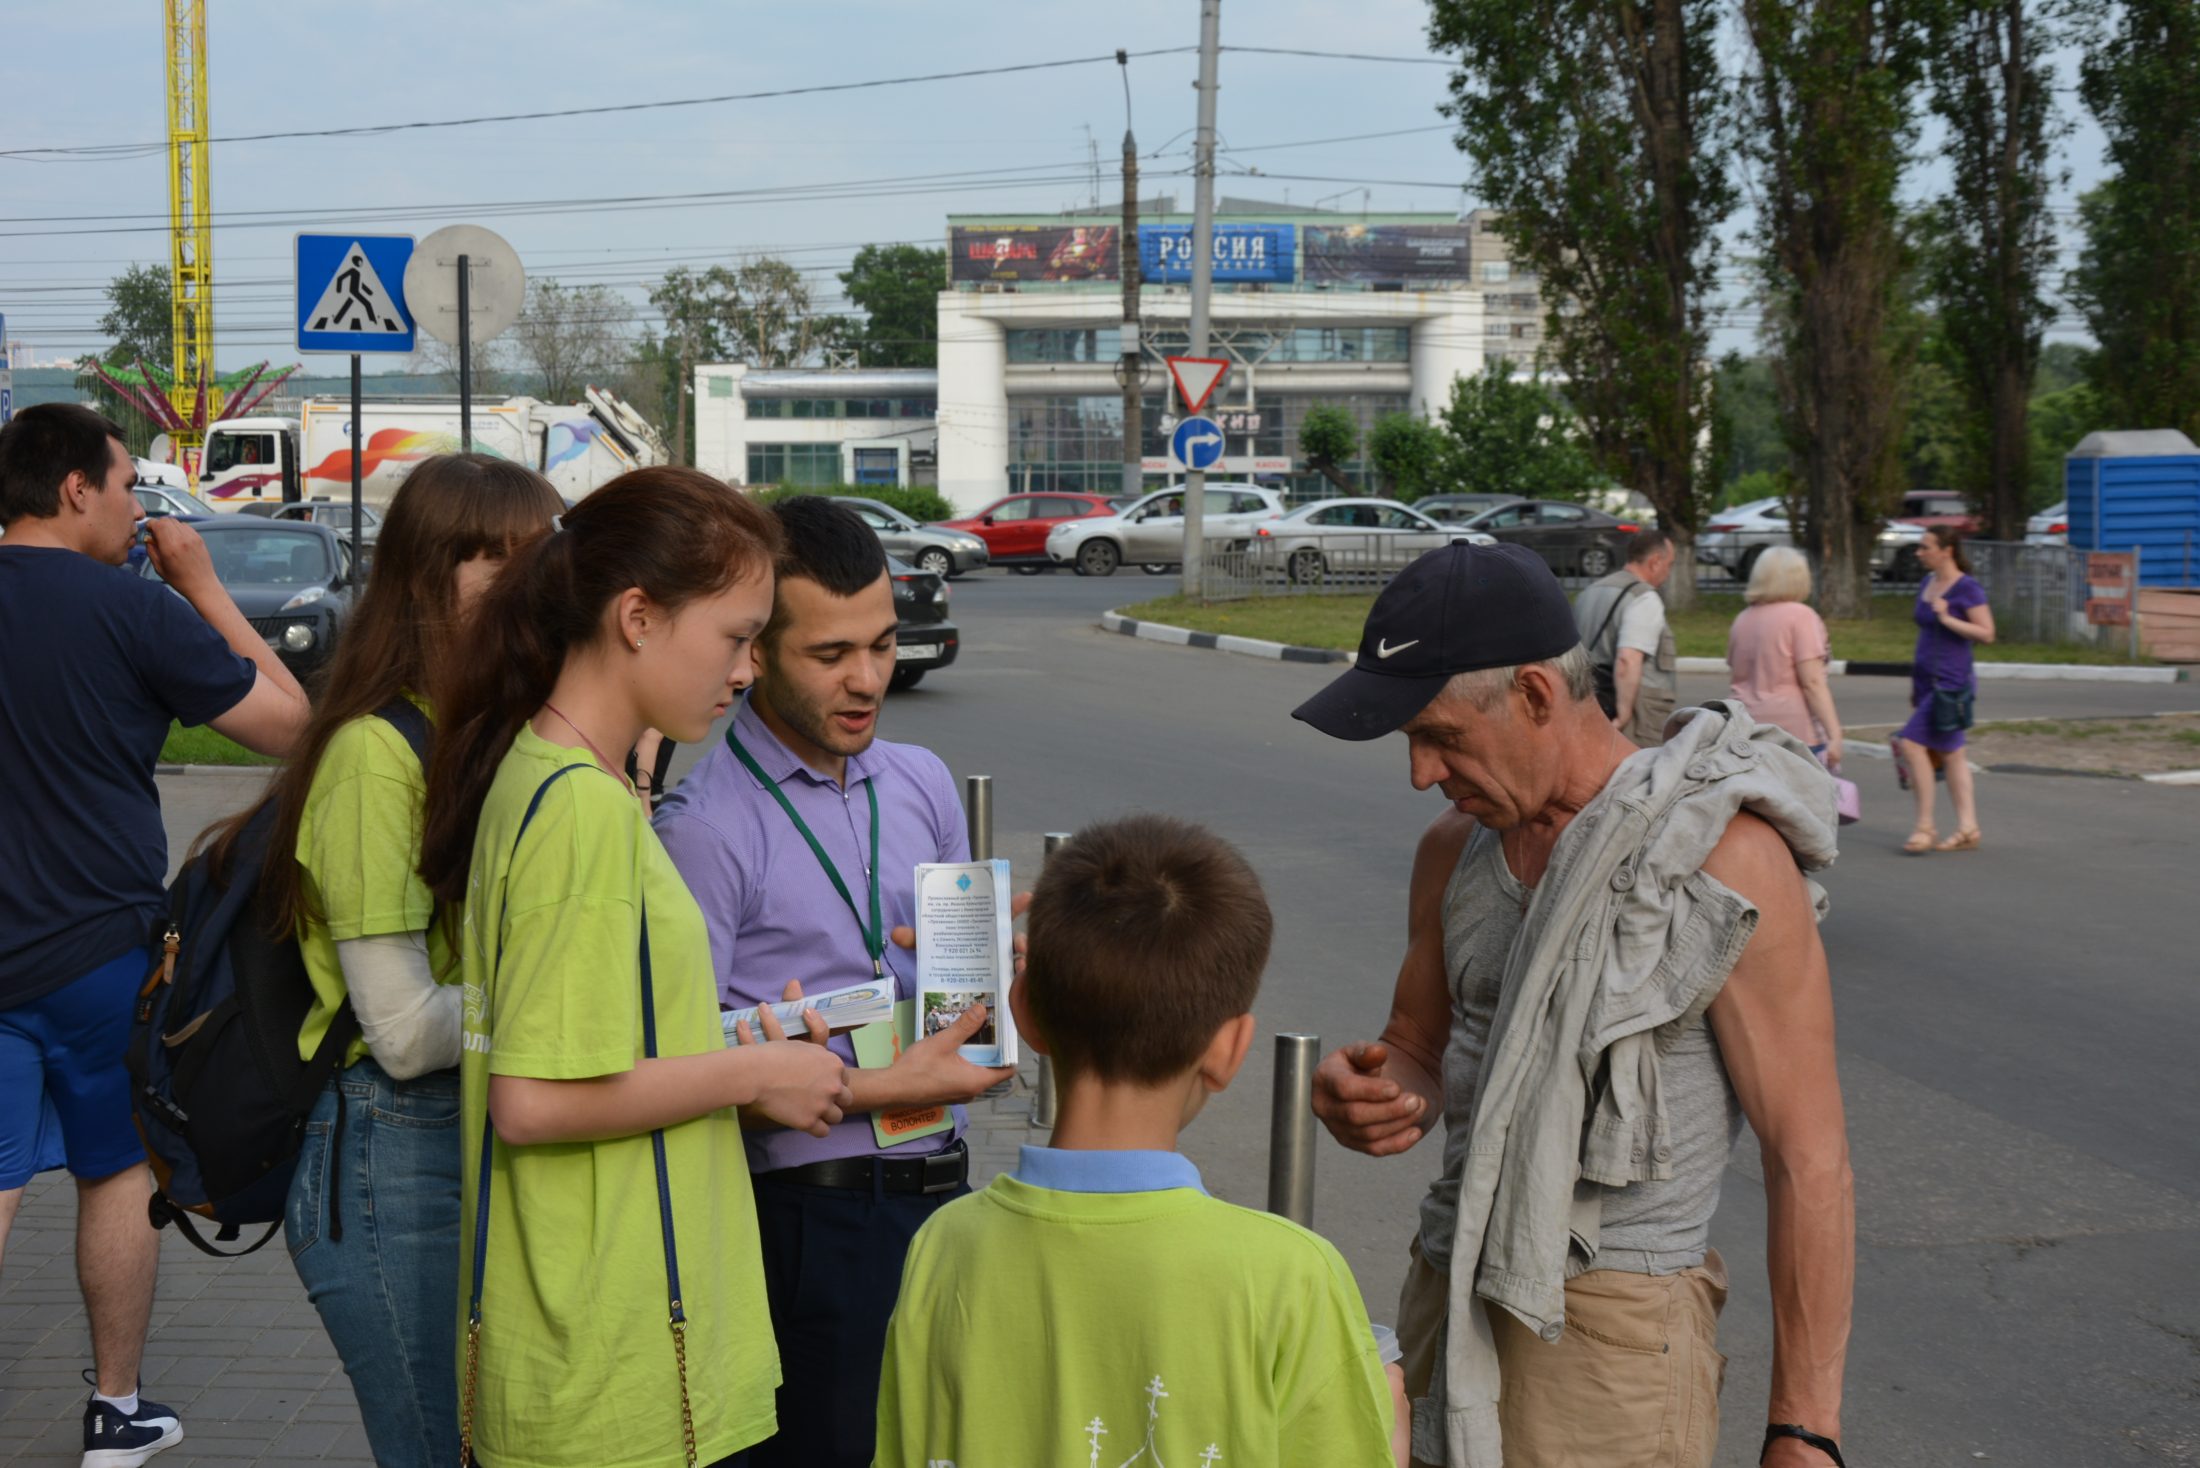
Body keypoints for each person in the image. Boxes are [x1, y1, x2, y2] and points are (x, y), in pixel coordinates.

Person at [1296, 543, 1854, 1468]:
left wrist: (1805, 1427)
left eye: (1439, 735)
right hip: (1451, 1293)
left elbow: (1811, 1160)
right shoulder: (1452, 855)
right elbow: (1416, 1050)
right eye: (1409, 743)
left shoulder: (1723, 861)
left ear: (1534, 696)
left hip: (1618, 1344)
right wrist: (1373, 1090)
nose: (1421, 773)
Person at [416, 467, 853, 1468]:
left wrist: (744, 1045)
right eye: (736, 636)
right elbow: (532, 1098)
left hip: (591, 1345)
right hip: (616, 1362)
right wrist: (756, 1073)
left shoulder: (547, 771)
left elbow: (595, 1037)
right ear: (639, 616)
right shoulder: (580, 810)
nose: (747, 670)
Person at [185, 455, 562, 1465]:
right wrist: (559, 1001)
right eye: (511, 563)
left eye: (550, 559)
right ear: (435, 577)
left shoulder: (488, 733)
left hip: (482, 1131)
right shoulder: (371, 756)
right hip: (393, 1157)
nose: (547, 586)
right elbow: (399, 1031)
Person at [874, 814, 1408, 1468]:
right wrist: (1388, 1436)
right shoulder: (1294, 1277)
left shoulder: (942, 1246)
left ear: (1024, 1012)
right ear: (1230, 1050)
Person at [654, 494, 1007, 1468]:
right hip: (811, 1220)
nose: (866, 681)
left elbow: (975, 1026)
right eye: (830, 655)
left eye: (884, 646)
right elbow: (678, 1077)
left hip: (946, 1197)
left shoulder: (924, 781)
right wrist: (875, 1086)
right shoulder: (702, 827)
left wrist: (1004, 989)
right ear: (755, 650)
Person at [0, 403, 310, 1467]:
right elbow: (297, 730)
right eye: (128, 485)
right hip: (102, 954)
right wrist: (203, 585)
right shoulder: (136, 611)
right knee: (118, 1174)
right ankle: (116, 1411)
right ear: (75, 487)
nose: (139, 509)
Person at [1893, 526, 1994, 854]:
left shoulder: (1967, 588)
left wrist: (1949, 618)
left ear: (1947, 549)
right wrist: (1914, 684)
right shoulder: (1928, 583)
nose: (1919, 553)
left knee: (1911, 744)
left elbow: (1986, 633)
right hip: (1926, 682)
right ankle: (1968, 827)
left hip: (1951, 684)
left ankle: (1925, 826)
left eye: (1925, 547)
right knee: (1953, 754)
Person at [1727, 547, 1844, 766]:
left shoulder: (1742, 619)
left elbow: (1736, 672)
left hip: (1745, 727)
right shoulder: (1801, 616)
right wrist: (1834, 735)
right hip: (1794, 732)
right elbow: (1812, 682)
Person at [1573, 530, 1678, 746]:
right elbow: (1627, 659)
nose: (1668, 573)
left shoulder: (1590, 592)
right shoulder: (1644, 598)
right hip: (1633, 717)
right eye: (1669, 564)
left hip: (1587, 704)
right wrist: (1623, 715)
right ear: (1655, 561)